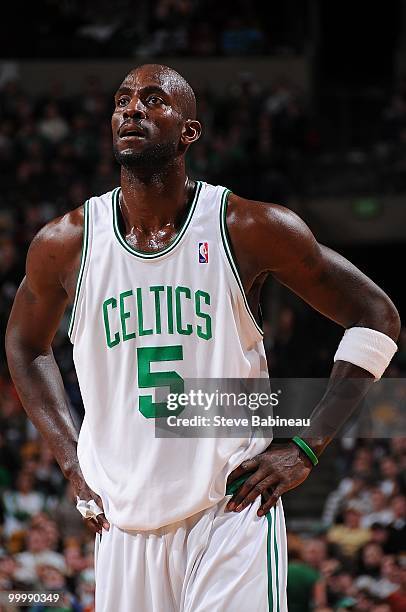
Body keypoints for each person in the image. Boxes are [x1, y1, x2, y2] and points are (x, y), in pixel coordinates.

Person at [5, 64, 400, 612]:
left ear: (189, 132)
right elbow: (24, 346)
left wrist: (307, 446)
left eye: (152, 99)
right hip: (122, 522)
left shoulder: (248, 226)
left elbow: (376, 315)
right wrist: (71, 462)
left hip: (230, 510)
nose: (132, 109)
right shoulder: (65, 243)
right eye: (122, 100)